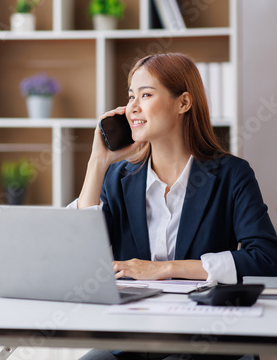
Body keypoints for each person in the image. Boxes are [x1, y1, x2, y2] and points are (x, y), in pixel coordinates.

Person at [70, 52, 277, 360]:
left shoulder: (232, 174)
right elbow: (82, 255)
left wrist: (165, 270)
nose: (132, 108)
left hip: (205, 336)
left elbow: (266, 258)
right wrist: (97, 164)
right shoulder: (119, 176)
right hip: (133, 334)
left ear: (183, 103)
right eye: (130, 97)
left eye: (146, 94)